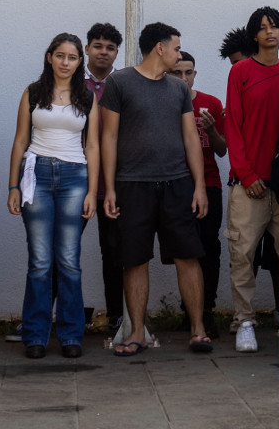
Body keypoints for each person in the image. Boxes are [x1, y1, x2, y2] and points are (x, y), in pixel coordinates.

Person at [100, 22, 211, 356]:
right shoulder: (119, 83)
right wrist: (109, 188)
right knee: (134, 259)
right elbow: (109, 137)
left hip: (177, 184)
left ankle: (198, 330)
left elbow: (191, 138)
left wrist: (200, 186)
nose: (179, 54)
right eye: (176, 48)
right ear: (159, 48)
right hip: (132, 185)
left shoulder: (178, 90)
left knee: (188, 257)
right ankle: (137, 334)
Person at [6, 33, 99, 359]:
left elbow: (93, 145)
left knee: (69, 262)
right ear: (50, 57)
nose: (65, 62)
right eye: (59, 55)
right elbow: (20, 140)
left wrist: (93, 191)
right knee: (41, 262)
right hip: (38, 176)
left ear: (79, 61)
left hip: (75, 178)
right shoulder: (33, 92)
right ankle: (35, 336)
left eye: (72, 57)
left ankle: (71, 335)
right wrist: (13, 185)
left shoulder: (87, 96)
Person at [224, 7, 279, 353]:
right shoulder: (240, 72)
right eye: (262, 27)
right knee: (242, 255)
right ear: (254, 35)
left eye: (274, 26)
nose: (269, 32)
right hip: (247, 184)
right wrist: (247, 174)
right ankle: (245, 321)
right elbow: (232, 127)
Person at [167, 51, 226, 337]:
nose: (183, 78)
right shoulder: (163, 103)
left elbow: (222, 149)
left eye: (187, 73)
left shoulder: (211, 104)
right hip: (174, 185)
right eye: (176, 73)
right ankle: (188, 311)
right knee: (181, 250)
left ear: (195, 74)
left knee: (208, 248)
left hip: (209, 185)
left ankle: (207, 311)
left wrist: (212, 131)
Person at [84, 22, 124, 330]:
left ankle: (116, 316)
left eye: (110, 48)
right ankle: (45, 315)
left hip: (113, 181)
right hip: (76, 180)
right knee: (62, 249)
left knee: (113, 251)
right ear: (87, 49)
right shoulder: (70, 84)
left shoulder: (122, 85)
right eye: (98, 46)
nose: (104, 52)